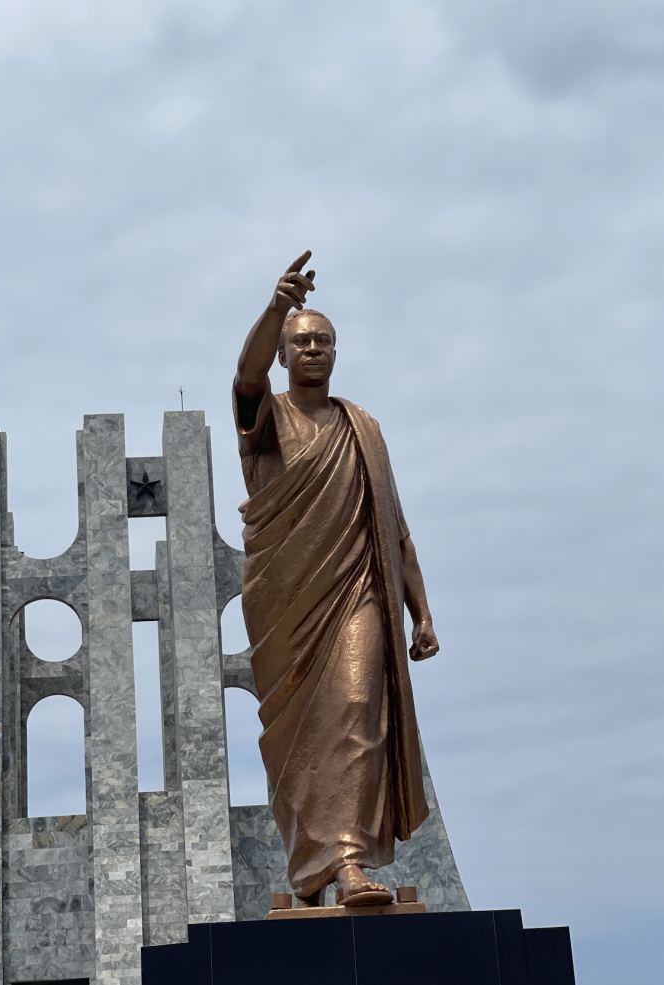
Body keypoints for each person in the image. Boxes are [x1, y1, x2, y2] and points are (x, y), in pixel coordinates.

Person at [233, 250, 440, 908]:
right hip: (286, 610)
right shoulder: (268, 423)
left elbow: (394, 530)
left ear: (336, 352)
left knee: (356, 713)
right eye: (301, 341)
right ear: (285, 354)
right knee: (299, 742)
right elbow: (243, 377)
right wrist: (274, 307)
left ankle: (349, 862)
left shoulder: (363, 430)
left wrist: (422, 613)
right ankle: (312, 871)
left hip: (357, 595)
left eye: (323, 340)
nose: (313, 349)